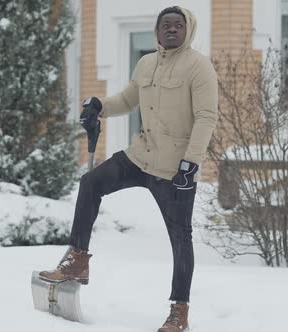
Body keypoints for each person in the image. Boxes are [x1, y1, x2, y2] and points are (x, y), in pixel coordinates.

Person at [39, 5, 218, 332]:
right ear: (158, 30)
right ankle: (78, 259)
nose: (172, 30)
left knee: (180, 239)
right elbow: (128, 98)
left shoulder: (198, 66)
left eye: (178, 25)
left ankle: (179, 311)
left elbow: (206, 117)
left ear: (188, 30)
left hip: (175, 169)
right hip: (141, 155)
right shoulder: (146, 63)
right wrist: (100, 106)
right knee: (91, 182)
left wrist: (191, 162)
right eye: (166, 25)